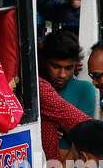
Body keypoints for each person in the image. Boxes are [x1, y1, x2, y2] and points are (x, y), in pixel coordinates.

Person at [39, 30, 95, 158]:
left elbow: (85, 140)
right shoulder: (37, 90)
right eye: (56, 66)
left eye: (69, 68)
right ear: (44, 61)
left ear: (76, 65)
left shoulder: (84, 90)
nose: (62, 75)